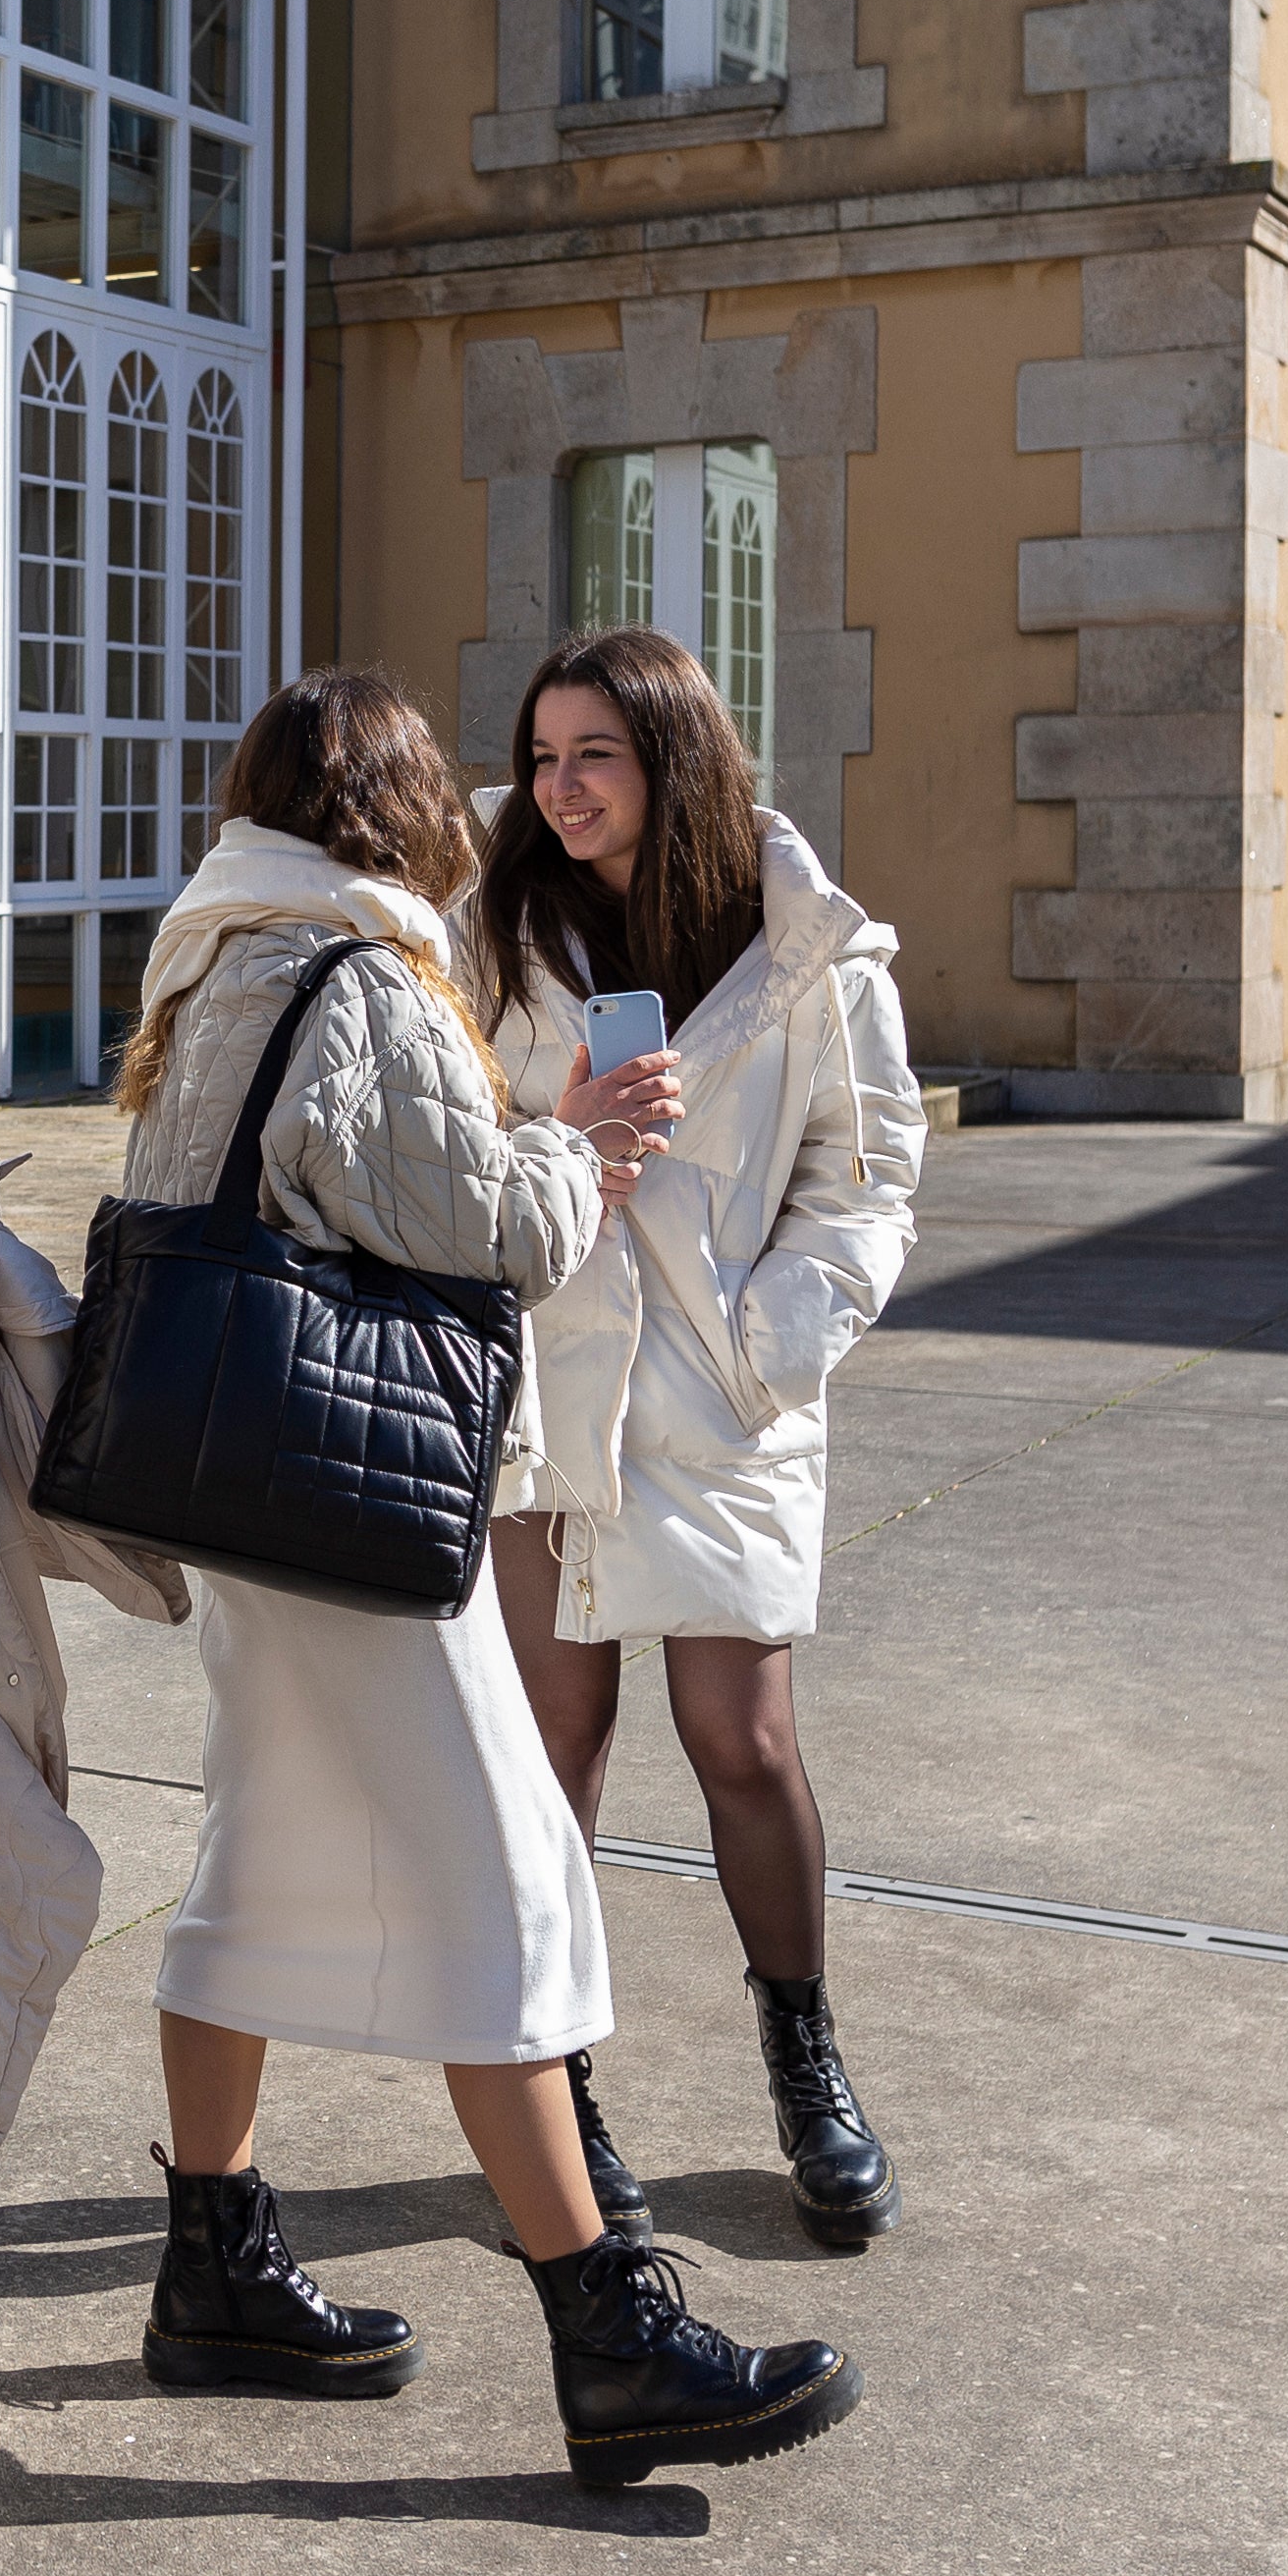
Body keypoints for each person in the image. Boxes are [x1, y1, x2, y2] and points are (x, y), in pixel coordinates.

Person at [107, 667, 858, 2488]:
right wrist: (587, 1131)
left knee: (250, 1857)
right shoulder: (361, 975)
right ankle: (612, 2329)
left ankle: (210, 2259)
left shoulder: (215, 954)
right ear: (386, 805)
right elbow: (507, 1227)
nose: (486, 799)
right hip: (358, 1510)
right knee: (513, 1888)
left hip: (242, 1491)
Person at [467, 625, 926, 2245]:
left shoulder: (812, 952)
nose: (558, 785)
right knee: (553, 1746)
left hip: (727, 1395)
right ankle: (557, 2087)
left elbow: (863, 1181)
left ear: (674, 755)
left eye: (593, 751)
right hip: (550, 1389)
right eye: (541, 755)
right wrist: (551, 1141)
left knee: (746, 1738)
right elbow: (441, 1132)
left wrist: (769, 1341)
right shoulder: (490, 928)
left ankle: (805, 2056)